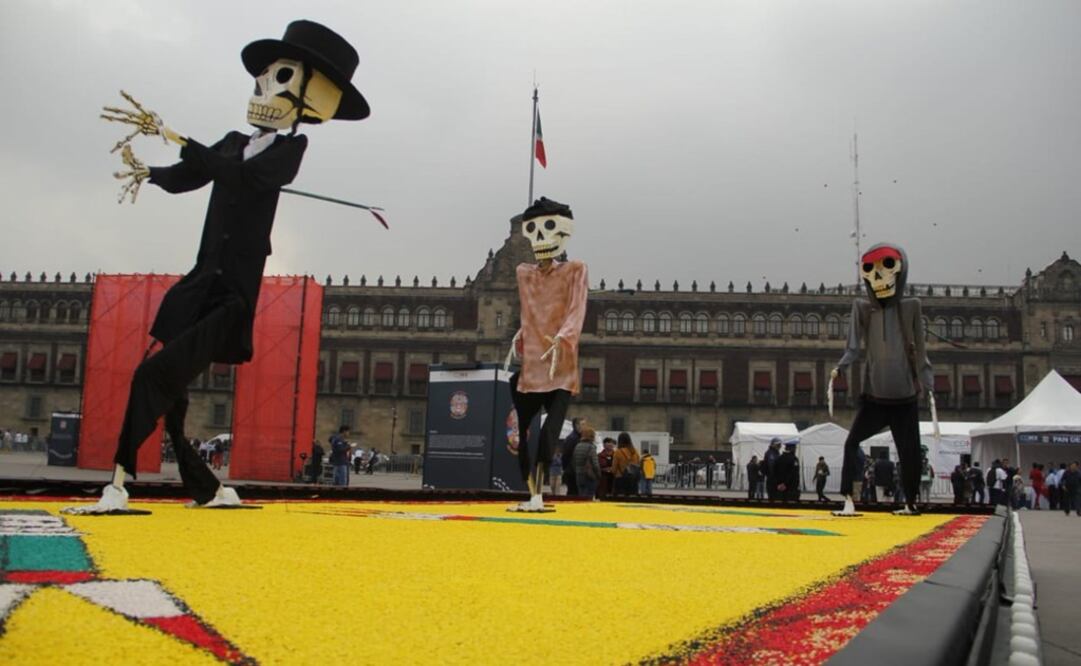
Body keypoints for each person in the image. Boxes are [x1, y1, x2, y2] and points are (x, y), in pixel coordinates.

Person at [65, 20, 371, 514]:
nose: (263, 88)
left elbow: (243, 177)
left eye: (281, 78)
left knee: (153, 375)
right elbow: (195, 173)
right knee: (175, 396)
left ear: (311, 99)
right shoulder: (230, 141)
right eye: (264, 78)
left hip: (232, 294)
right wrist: (153, 172)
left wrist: (177, 136)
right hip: (199, 282)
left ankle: (118, 484)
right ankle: (209, 488)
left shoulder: (290, 150)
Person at [832, 244, 934, 517]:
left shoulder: (912, 306)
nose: (878, 277)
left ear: (901, 272)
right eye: (870, 270)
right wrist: (841, 367)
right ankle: (848, 501)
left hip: (905, 397)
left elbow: (921, 350)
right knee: (851, 442)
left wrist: (929, 383)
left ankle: (910, 503)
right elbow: (853, 348)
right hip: (875, 398)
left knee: (909, 451)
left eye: (887, 267)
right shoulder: (863, 309)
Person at [504, 197, 588, 512]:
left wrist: (564, 338)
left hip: (561, 367)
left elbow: (577, 309)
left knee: (548, 433)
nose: (541, 237)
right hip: (531, 368)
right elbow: (529, 313)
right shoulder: (523, 273)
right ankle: (533, 495)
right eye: (534, 228)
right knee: (524, 431)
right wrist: (521, 335)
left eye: (550, 227)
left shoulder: (576, 270)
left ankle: (537, 497)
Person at [572, 427, 600, 499]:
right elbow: (595, 464)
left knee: (581, 496)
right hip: (589, 475)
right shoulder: (591, 447)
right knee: (589, 496)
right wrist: (598, 475)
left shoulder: (577, 446)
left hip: (579, 474)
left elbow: (574, 461)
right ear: (592, 436)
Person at [611, 432, 641, 496]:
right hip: (633, 481)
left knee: (620, 500)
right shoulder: (635, 451)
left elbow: (614, 469)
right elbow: (638, 464)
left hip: (620, 480)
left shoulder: (618, 452)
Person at [560, 418, 584, 497]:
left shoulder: (578, 437)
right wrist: (566, 468)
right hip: (572, 471)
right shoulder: (572, 438)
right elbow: (566, 455)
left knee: (575, 492)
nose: (584, 427)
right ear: (576, 425)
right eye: (582, 424)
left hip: (574, 470)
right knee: (573, 493)